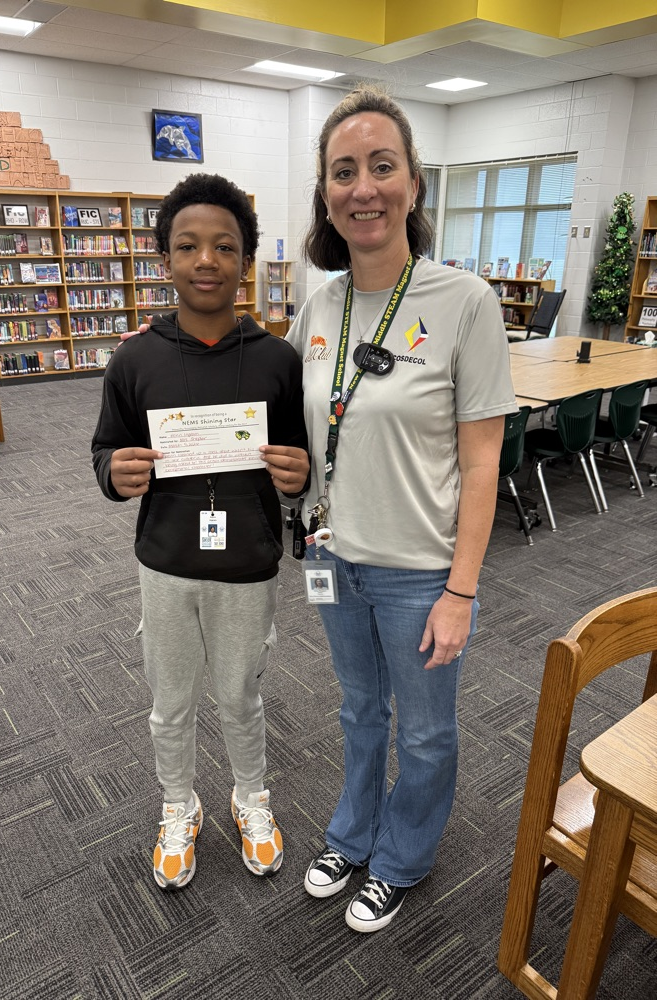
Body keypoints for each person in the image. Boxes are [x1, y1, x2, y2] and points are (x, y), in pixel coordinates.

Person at [285, 86, 517, 933]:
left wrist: (462, 590)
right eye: (343, 171)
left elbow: (483, 460)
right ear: (326, 193)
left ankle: (403, 857)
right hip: (330, 556)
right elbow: (313, 436)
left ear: (414, 183)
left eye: (382, 167)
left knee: (423, 733)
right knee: (357, 710)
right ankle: (352, 833)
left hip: (421, 571)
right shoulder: (316, 306)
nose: (363, 188)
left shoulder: (465, 302)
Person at [92, 173, 309, 890]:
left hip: (247, 560)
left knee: (241, 697)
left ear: (246, 259)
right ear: (165, 260)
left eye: (224, 245)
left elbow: (300, 463)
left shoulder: (278, 360)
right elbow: (107, 447)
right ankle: (177, 805)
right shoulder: (134, 360)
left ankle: (252, 799)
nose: (206, 259)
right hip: (167, 560)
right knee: (172, 702)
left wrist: (296, 474)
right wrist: (113, 471)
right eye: (188, 246)